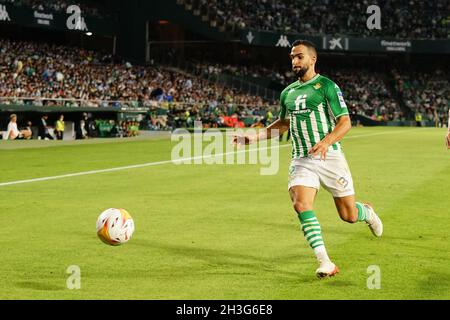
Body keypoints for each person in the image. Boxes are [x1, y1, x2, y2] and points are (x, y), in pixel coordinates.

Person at [233, 40, 382, 278]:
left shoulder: (327, 86)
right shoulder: (288, 93)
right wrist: (255, 137)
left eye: (299, 56)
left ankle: (367, 212)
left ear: (313, 59)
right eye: (292, 57)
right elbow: (282, 123)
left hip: (330, 157)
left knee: (349, 215)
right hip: (301, 158)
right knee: (300, 203)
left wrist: (326, 142)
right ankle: (325, 262)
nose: (294, 61)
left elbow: (345, 122)